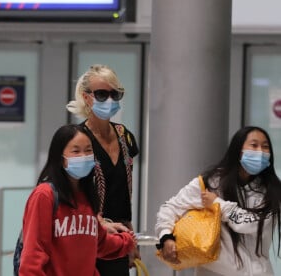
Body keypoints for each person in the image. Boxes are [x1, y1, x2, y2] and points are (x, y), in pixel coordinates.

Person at [155, 126, 281, 276]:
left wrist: (218, 205)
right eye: (254, 145)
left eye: (265, 147)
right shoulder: (212, 183)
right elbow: (171, 208)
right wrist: (166, 236)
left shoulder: (272, 191)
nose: (260, 152)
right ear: (238, 150)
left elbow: (251, 224)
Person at [19, 124, 137, 276]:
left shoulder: (87, 196)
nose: (83, 156)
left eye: (88, 150)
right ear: (61, 158)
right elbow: (33, 257)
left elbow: (99, 243)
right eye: (76, 151)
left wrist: (127, 241)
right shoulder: (44, 195)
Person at [66, 64, 140, 276]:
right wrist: (97, 222)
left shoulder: (124, 136)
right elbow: (70, 192)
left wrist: (131, 240)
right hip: (86, 235)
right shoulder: (78, 139)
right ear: (86, 97)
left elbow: (123, 193)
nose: (109, 100)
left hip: (118, 238)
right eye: (101, 94)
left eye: (115, 94)